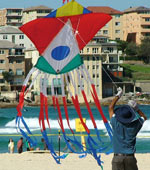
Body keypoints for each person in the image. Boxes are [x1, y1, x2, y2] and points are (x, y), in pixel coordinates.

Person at [109, 87, 147, 170]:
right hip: (130, 158)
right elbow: (144, 117)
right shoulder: (135, 124)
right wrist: (136, 108)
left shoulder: (115, 122)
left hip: (117, 158)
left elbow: (111, 108)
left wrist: (118, 95)